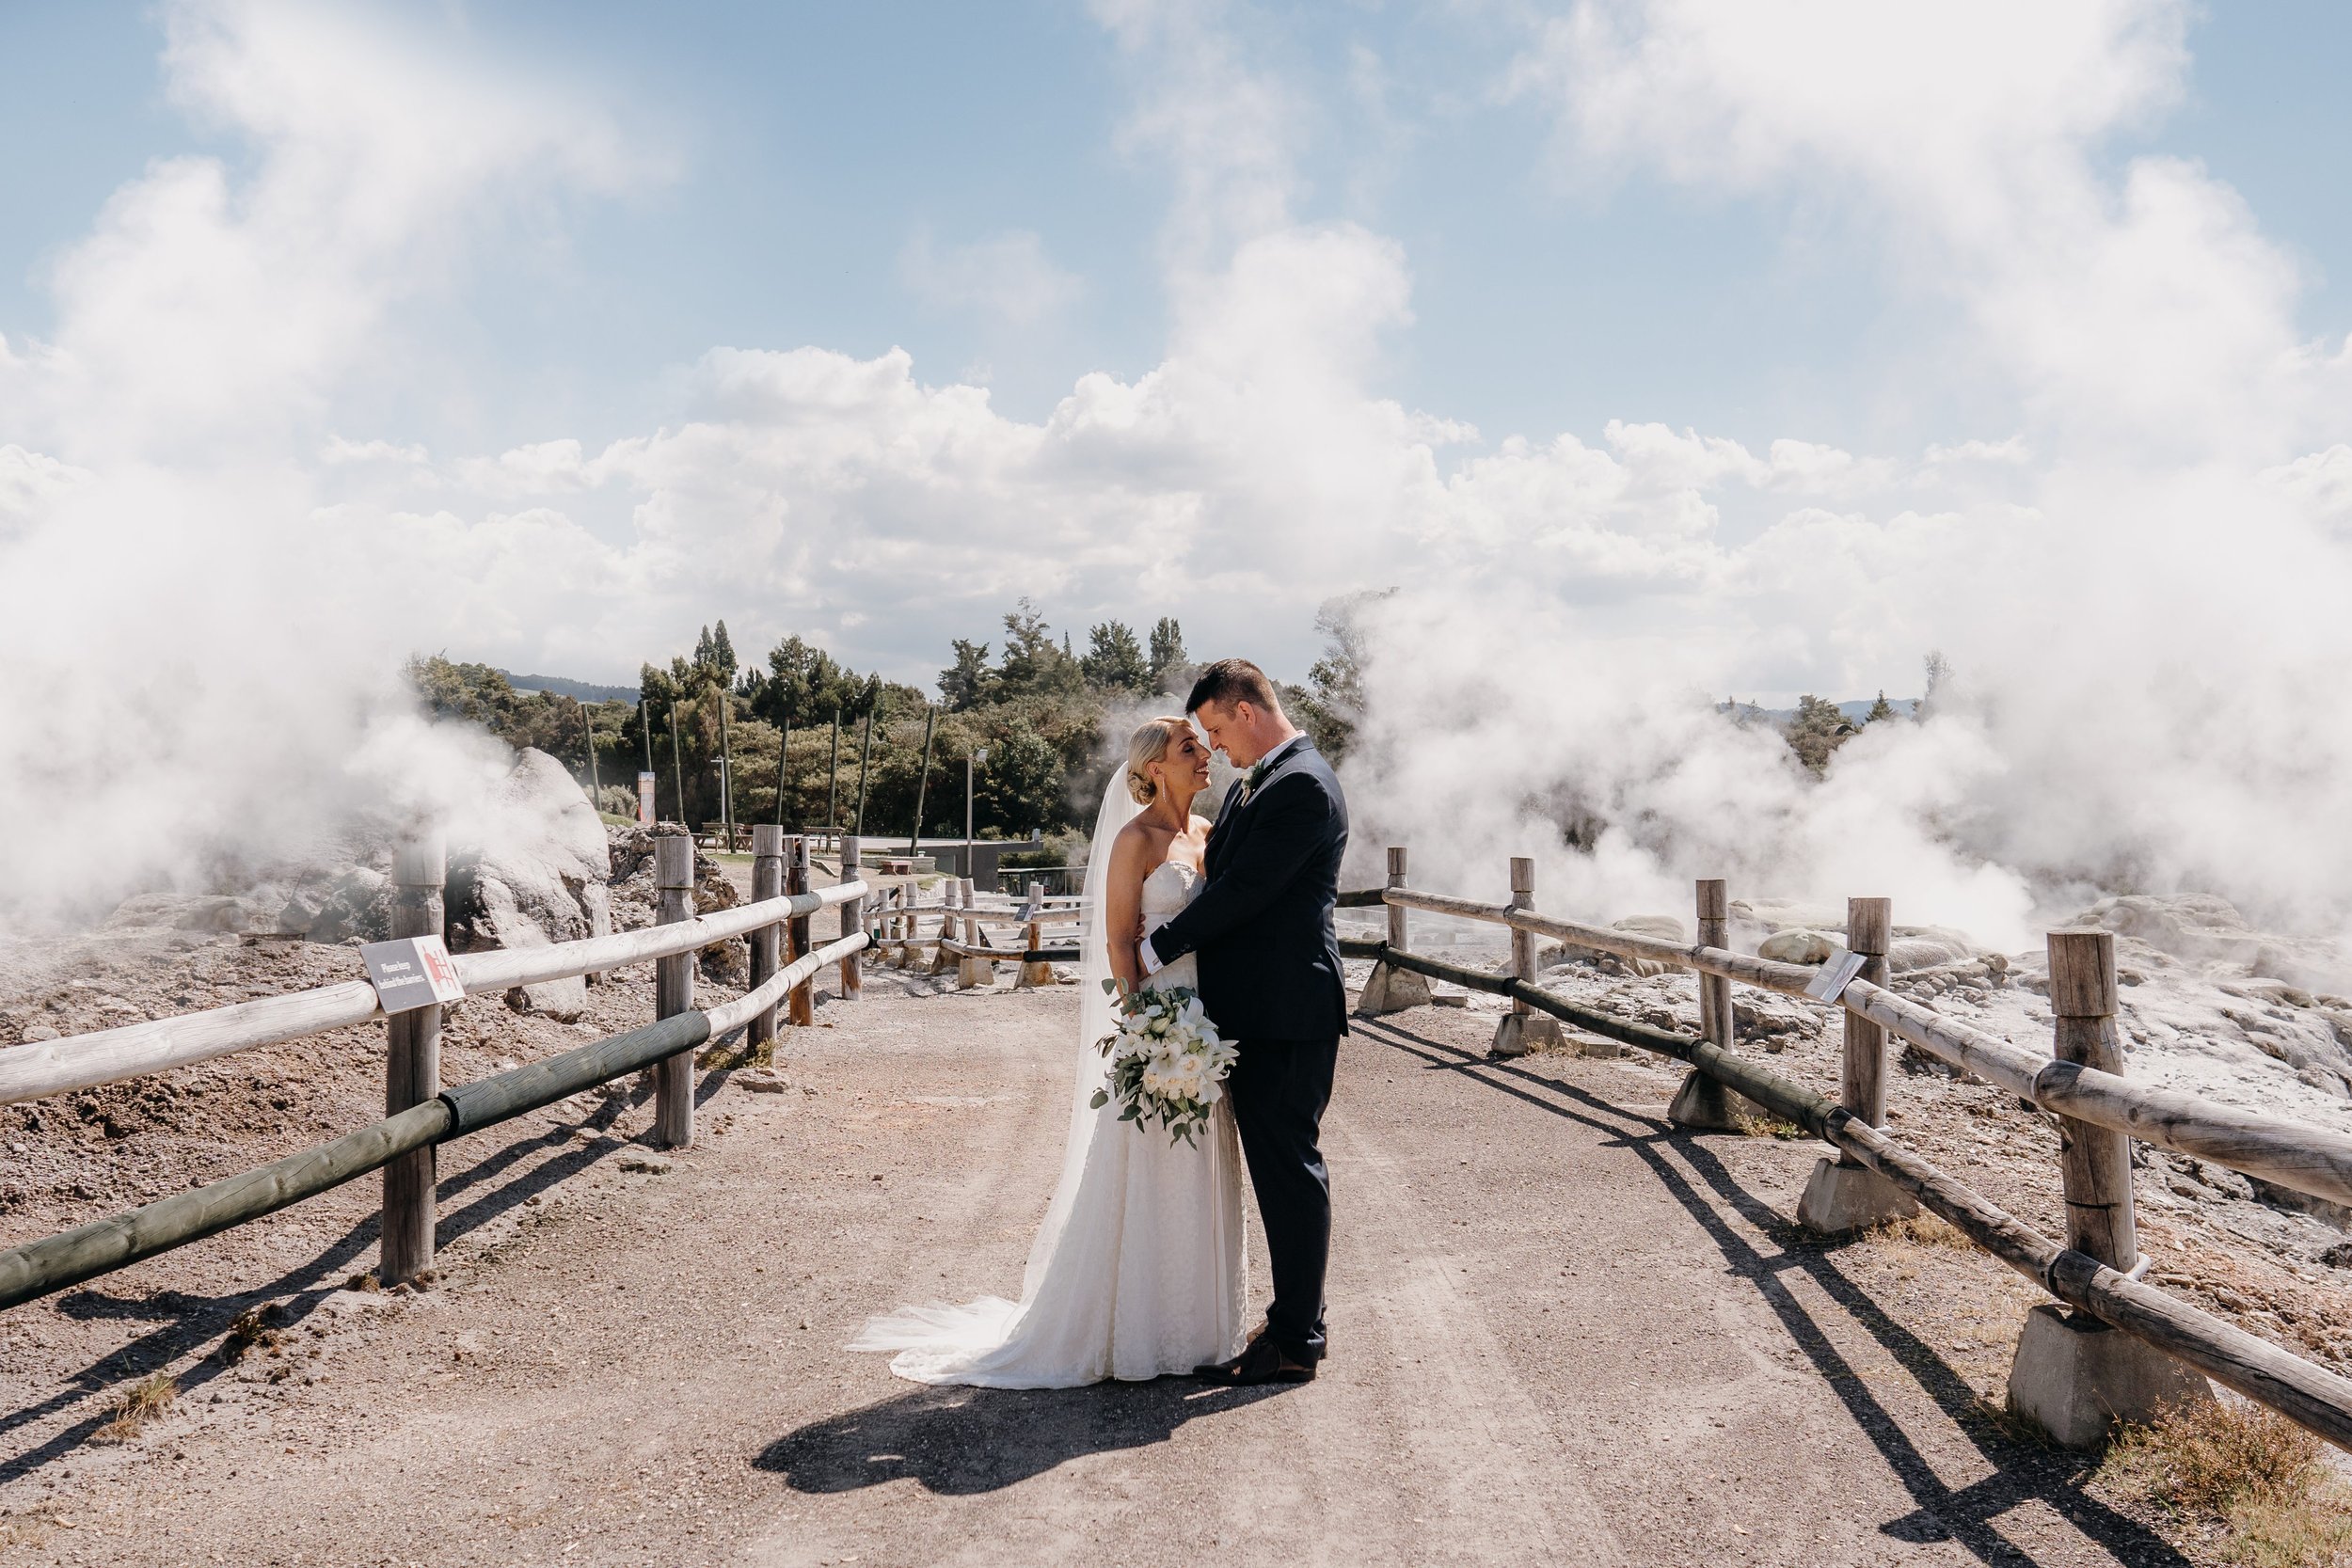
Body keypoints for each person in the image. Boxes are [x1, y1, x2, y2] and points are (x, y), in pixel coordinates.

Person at [849, 716, 1248, 1386]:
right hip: (1162, 1028)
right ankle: (1137, 1330)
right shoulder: (1134, 840)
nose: (1205, 755)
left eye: (1203, 747)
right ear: (1155, 767)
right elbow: (1121, 940)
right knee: (1147, 1171)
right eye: (1189, 748)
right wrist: (1145, 1031)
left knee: (1202, 1167)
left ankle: (1203, 1328)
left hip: (1207, 1025)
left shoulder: (1209, 835)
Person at [1139, 657, 1349, 1386]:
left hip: (1287, 1010)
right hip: (1257, 1009)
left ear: (1248, 711)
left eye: (1219, 729)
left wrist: (1157, 946)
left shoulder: (1302, 786)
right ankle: (1293, 1316)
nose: (1217, 747)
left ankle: (1298, 1339)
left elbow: (1246, 891)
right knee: (1272, 1166)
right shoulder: (1263, 780)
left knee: (1289, 1169)